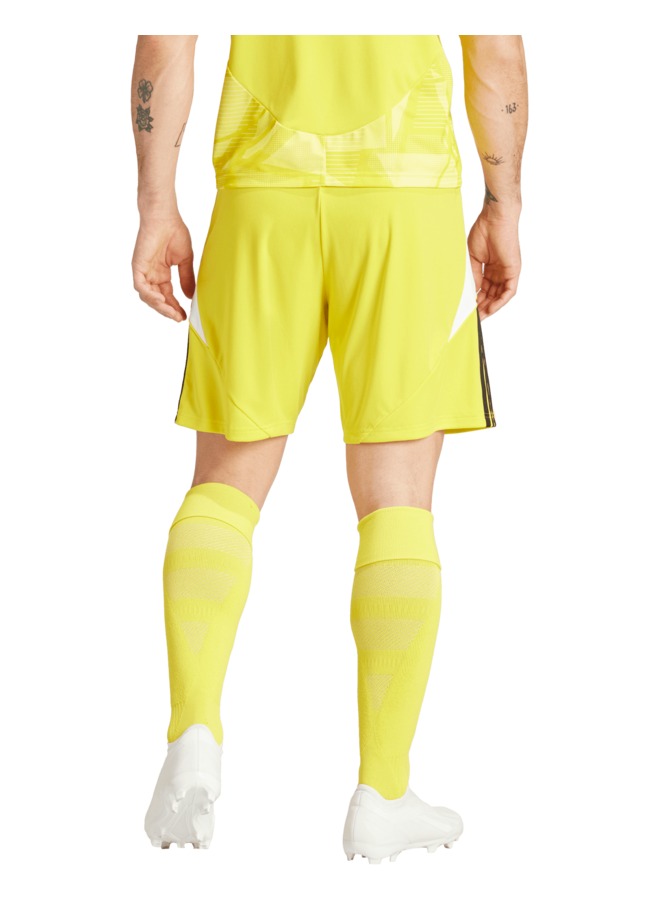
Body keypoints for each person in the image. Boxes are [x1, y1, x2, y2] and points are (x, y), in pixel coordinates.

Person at [132, 34, 528, 862]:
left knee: (225, 487)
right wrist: (503, 205)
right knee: (396, 504)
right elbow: (494, 53)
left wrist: (156, 207)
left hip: (260, 195)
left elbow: (165, 39)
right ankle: (382, 792)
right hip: (405, 199)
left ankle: (193, 730)